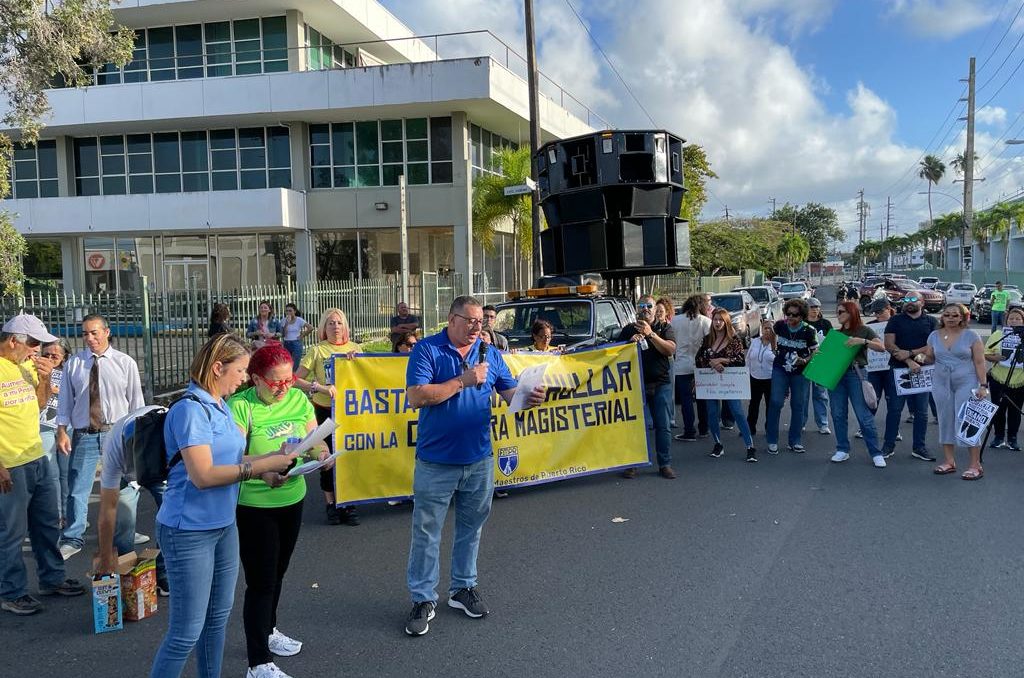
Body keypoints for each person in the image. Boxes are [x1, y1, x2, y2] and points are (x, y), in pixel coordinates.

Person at [149, 334, 297, 678]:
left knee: (216, 622)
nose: (244, 378)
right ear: (218, 367)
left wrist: (269, 468)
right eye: (241, 370)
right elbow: (202, 475)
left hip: (222, 526)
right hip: (188, 531)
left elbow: (232, 459)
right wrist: (262, 466)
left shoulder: (218, 404)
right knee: (186, 631)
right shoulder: (189, 409)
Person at [403, 296, 545, 636]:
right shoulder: (427, 350)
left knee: (471, 526)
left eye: (481, 322)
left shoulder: (490, 353)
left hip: (479, 458)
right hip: (436, 461)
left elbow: (509, 393)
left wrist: (528, 397)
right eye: (470, 321)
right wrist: (463, 380)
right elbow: (417, 397)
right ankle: (423, 598)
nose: (477, 327)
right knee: (426, 532)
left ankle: (462, 588)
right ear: (452, 319)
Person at [230, 345, 332, 678]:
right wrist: (264, 471)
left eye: (288, 380)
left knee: (278, 573)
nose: (284, 387)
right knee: (260, 582)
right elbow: (231, 460)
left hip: (293, 496)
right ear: (255, 378)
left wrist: (320, 452)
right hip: (255, 504)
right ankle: (257, 663)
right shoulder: (241, 406)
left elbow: (313, 438)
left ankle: (268, 631)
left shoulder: (298, 399)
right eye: (276, 382)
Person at [0, 314, 85, 616]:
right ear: (13, 340)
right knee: (11, 532)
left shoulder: (25, 366)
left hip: (36, 455)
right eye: (33, 344)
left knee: (47, 523)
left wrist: (46, 379)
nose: (37, 350)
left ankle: (51, 579)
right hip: (9, 463)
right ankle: (12, 592)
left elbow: (37, 405)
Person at [55, 314, 145, 561]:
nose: (90, 338)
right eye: (85, 333)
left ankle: (124, 535)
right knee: (78, 488)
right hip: (85, 433)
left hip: (116, 433)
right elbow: (65, 401)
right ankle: (73, 537)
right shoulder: (75, 363)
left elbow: (136, 402)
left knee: (124, 487)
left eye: (94, 332)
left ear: (107, 332)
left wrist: (135, 437)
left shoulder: (124, 363)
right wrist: (62, 430)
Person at [95, 403, 172, 598]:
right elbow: (107, 511)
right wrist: (105, 558)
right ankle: (126, 578)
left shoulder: (170, 436)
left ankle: (163, 574)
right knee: (123, 524)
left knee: (170, 522)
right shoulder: (114, 445)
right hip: (125, 475)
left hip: (162, 471)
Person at [294, 308, 361, 526]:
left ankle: (348, 503)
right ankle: (331, 503)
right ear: (323, 327)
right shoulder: (317, 350)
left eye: (339, 322)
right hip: (324, 410)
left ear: (345, 326)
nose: (335, 327)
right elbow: (295, 379)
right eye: (331, 323)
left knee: (349, 456)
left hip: (350, 411)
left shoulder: (355, 348)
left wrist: (359, 360)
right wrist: (318, 387)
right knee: (327, 457)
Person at [922, 304, 988, 480]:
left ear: (962, 318)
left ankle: (975, 465)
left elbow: (980, 362)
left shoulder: (971, 336)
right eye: (947, 315)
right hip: (941, 382)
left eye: (955, 315)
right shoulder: (934, 336)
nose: (950, 318)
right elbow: (929, 357)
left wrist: (983, 385)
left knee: (968, 420)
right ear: (942, 317)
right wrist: (918, 358)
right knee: (944, 419)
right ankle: (949, 461)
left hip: (966, 381)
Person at [619, 295, 678, 479]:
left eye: (649, 306)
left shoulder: (664, 328)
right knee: (636, 427)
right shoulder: (629, 329)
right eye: (642, 305)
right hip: (636, 384)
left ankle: (664, 464)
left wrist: (650, 334)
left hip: (661, 383)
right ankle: (634, 463)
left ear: (655, 309)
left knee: (663, 426)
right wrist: (629, 344)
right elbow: (616, 353)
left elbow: (670, 349)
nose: (645, 308)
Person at [827, 302, 888, 468]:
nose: (838, 315)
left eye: (841, 312)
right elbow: (829, 357)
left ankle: (876, 452)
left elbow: (881, 347)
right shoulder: (836, 333)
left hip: (856, 373)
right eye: (837, 311)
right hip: (836, 375)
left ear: (851, 312)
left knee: (864, 415)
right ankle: (842, 449)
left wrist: (861, 341)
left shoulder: (863, 330)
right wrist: (821, 354)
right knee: (838, 414)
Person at [882, 293, 938, 462]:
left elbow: (933, 345)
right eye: (906, 300)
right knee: (894, 409)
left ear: (922, 302)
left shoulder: (931, 321)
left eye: (913, 299)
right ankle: (888, 445)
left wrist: (912, 353)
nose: (909, 302)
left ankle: (919, 447)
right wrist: (908, 361)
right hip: (899, 369)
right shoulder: (895, 320)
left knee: (922, 411)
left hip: (923, 370)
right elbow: (889, 344)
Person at [696, 309, 757, 462]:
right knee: (712, 413)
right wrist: (711, 362)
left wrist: (723, 360)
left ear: (726, 322)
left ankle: (750, 446)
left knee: (737, 411)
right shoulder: (707, 339)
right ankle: (718, 444)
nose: (717, 323)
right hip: (711, 383)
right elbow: (698, 359)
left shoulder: (734, 339)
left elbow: (740, 360)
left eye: (721, 320)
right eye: (715, 319)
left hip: (730, 383)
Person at [765, 299, 818, 454]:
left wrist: (805, 360)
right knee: (775, 402)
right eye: (788, 314)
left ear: (802, 316)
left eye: (794, 315)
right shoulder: (780, 325)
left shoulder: (809, 330)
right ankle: (772, 440)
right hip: (780, 368)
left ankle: (794, 441)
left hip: (799, 372)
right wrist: (774, 348)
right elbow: (773, 335)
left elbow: (815, 352)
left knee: (798, 404)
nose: (790, 318)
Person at [672, 294, 711, 442]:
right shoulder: (706, 321)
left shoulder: (676, 321)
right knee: (702, 398)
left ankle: (689, 431)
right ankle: (704, 428)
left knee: (686, 399)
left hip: (682, 363)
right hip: (701, 363)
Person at [38, 338, 70, 523]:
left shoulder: (70, 371)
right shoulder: (36, 370)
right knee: (51, 475)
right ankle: (56, 516)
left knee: (67, 475)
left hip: (67, 427)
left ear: (64, 356)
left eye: (55, 355)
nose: (49, 358)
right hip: (44, 427)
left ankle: (69, 515)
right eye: (46, 354)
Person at [984, 307, 1024, 450]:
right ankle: (998, 437)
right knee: (999, 410)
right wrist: (996, 358)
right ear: (1006, 321)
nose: (1014, 321)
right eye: (1011, 319)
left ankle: (1012, 438)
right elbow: (986, 354)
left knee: (1015, 410)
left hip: (1019, 381)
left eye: (1018, 319)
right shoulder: (998, 334)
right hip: (998, 379)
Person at [806, 298, 833, 435]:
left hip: (821, 362)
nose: (814, 309)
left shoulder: (825, 323)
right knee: (803, 396)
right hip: (804, 362)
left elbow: (832, 342)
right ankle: (800, 423)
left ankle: (823, 423)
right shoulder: (803, 323)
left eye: (817, 306)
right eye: (811, 307)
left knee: (821, 395)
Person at [746, 320, 776, 436]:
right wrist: (746, 374)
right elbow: (748, 359)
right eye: (765, 328)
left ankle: (769, 428)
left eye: (770, 328)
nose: (767, 330)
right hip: (755, 377)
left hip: (770, 379)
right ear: (761, 329)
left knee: (770, 405)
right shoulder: (755, 341)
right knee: (753, 404)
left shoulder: (776, 344)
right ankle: (750, 428)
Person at [280, 303, 314, 370]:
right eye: (287, 311)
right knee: (287, 363)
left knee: (295, 363)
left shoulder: (299, 320)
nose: (288, 312)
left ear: (294, 311)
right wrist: (287, 323)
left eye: (290, 311)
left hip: (296, 343)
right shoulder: (283, 320)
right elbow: (283, 334)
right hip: (287, 342)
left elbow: (310, 328)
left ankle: (295, 377)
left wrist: (302, 335)